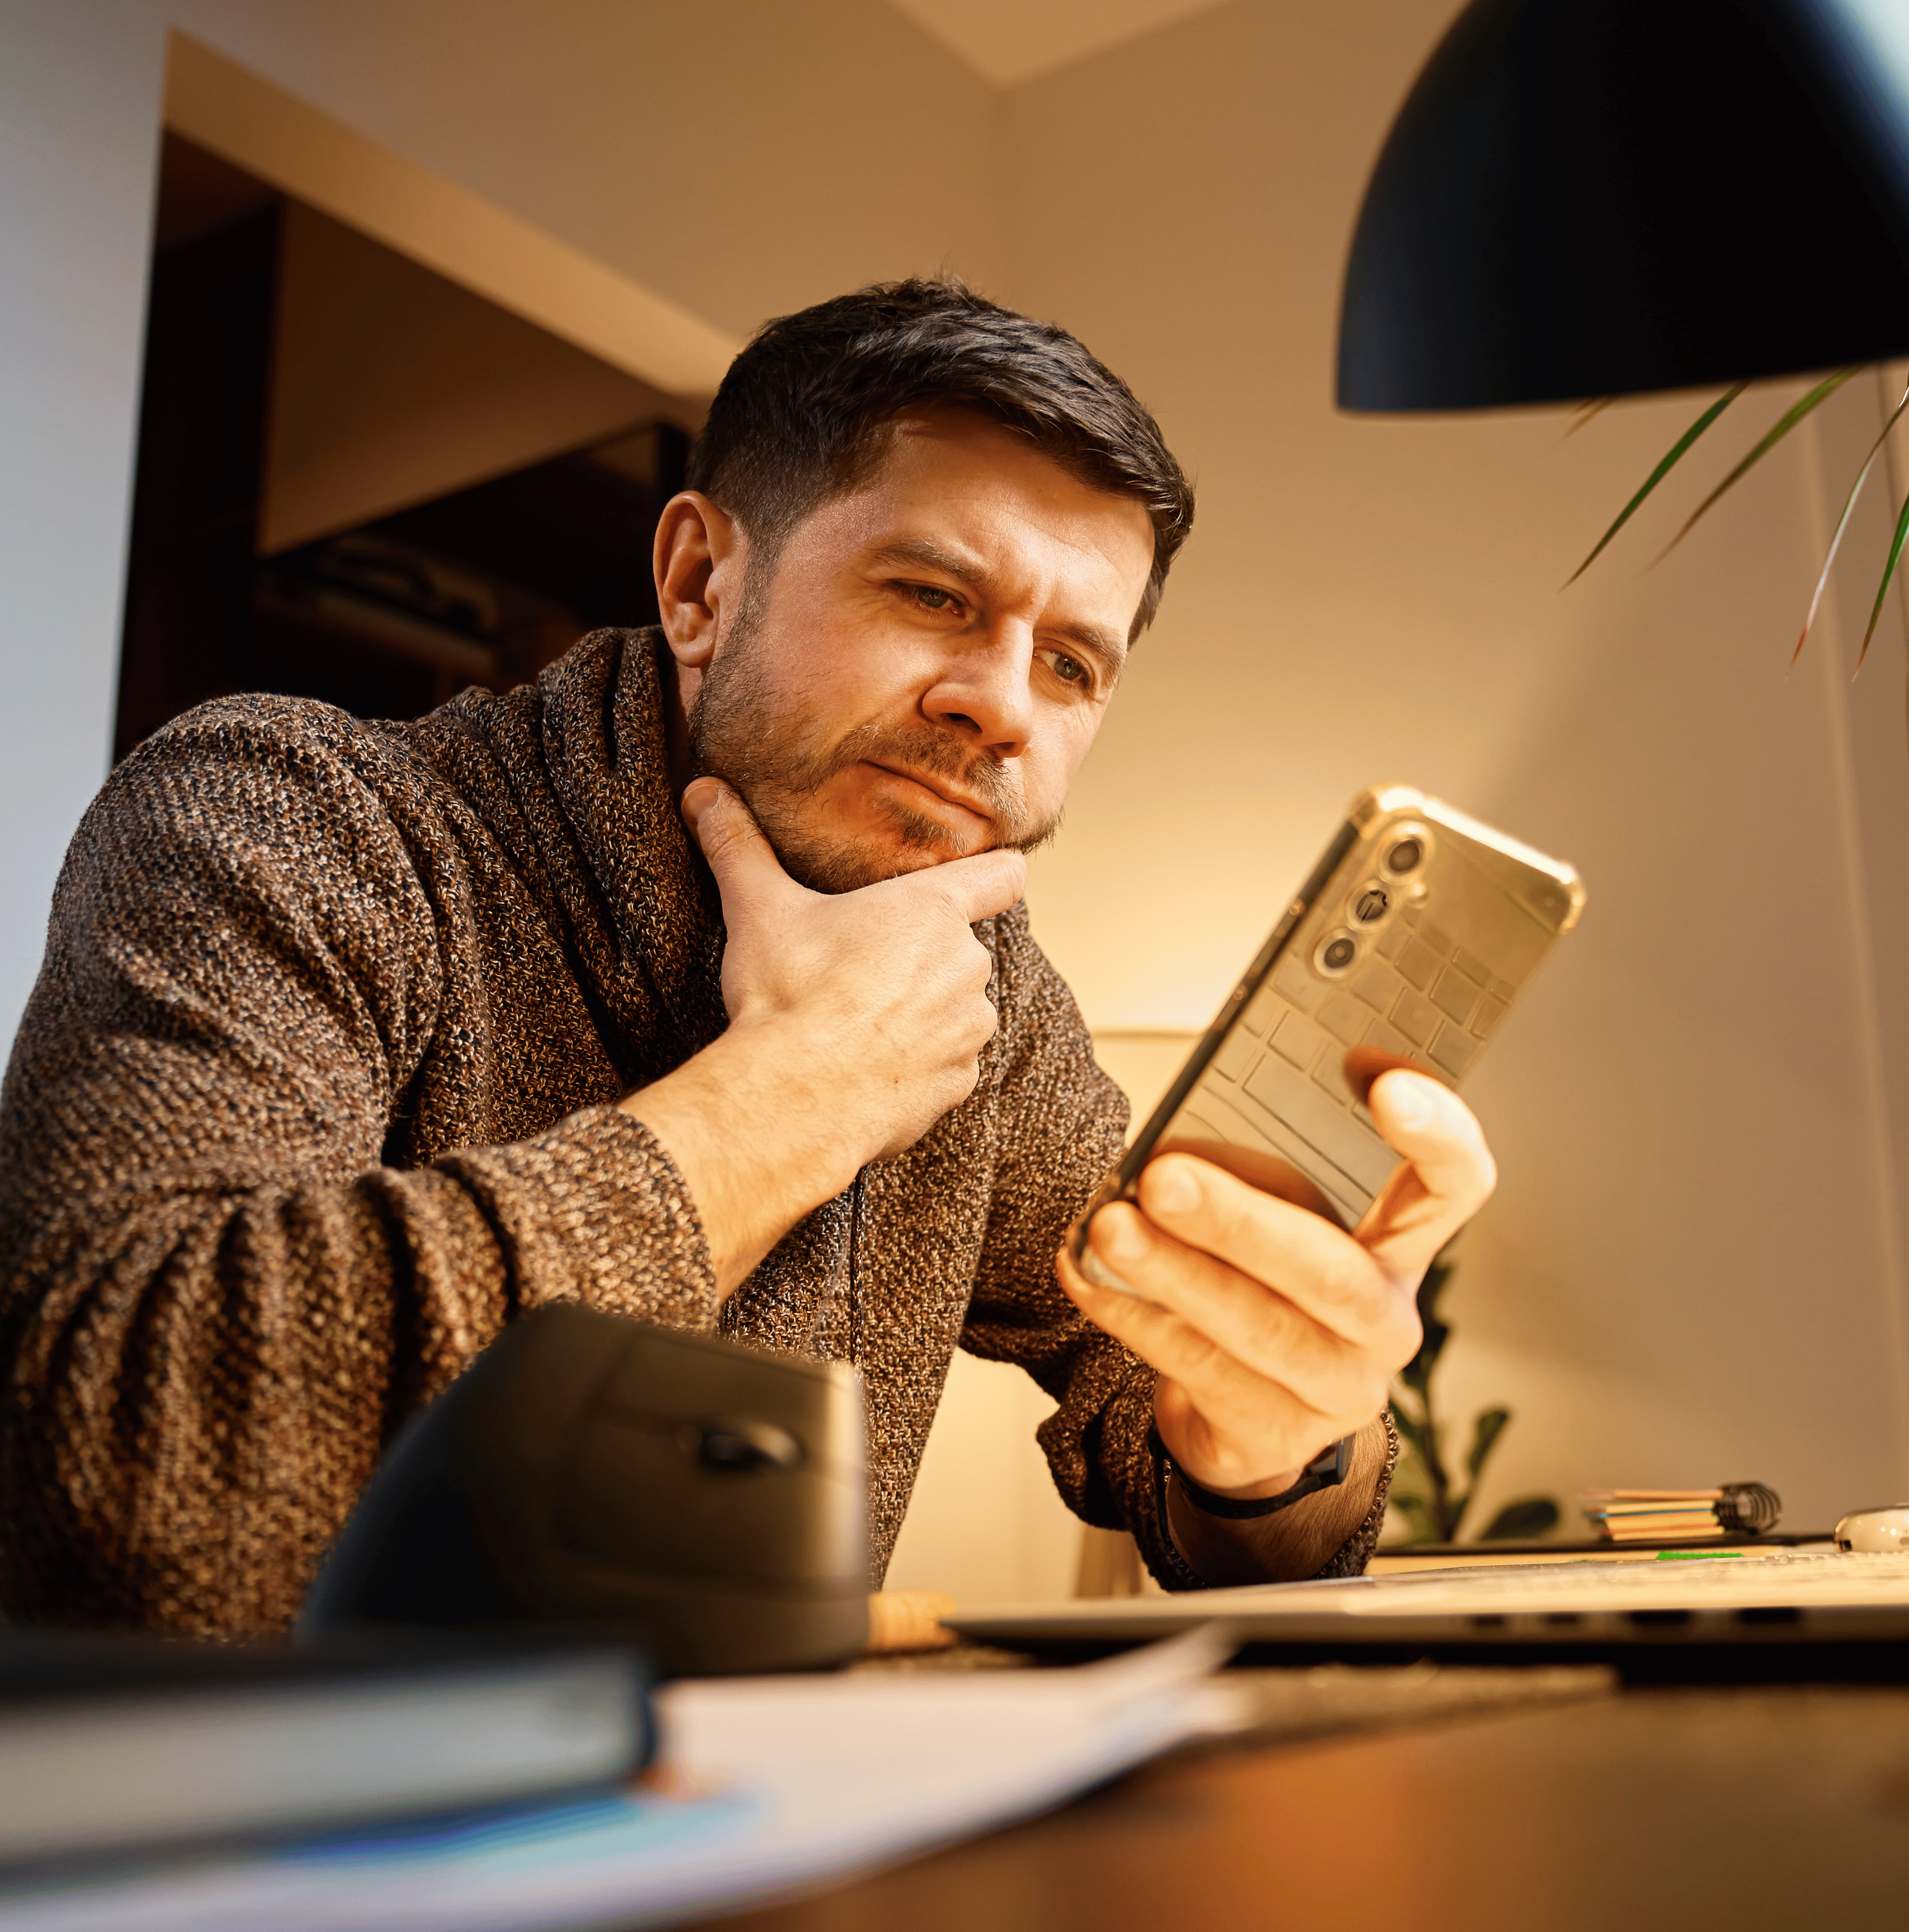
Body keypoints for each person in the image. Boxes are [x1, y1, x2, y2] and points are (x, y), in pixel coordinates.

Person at [0, 279, 1496, 1635]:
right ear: (700, 584)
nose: (1002, 706)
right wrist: (794, 1096)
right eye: (935, 596)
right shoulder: (289, 813)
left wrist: (1279, 1440)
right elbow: (106, 1463)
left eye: (1071, 664)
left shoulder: (983, 988)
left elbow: (1184, 1439)